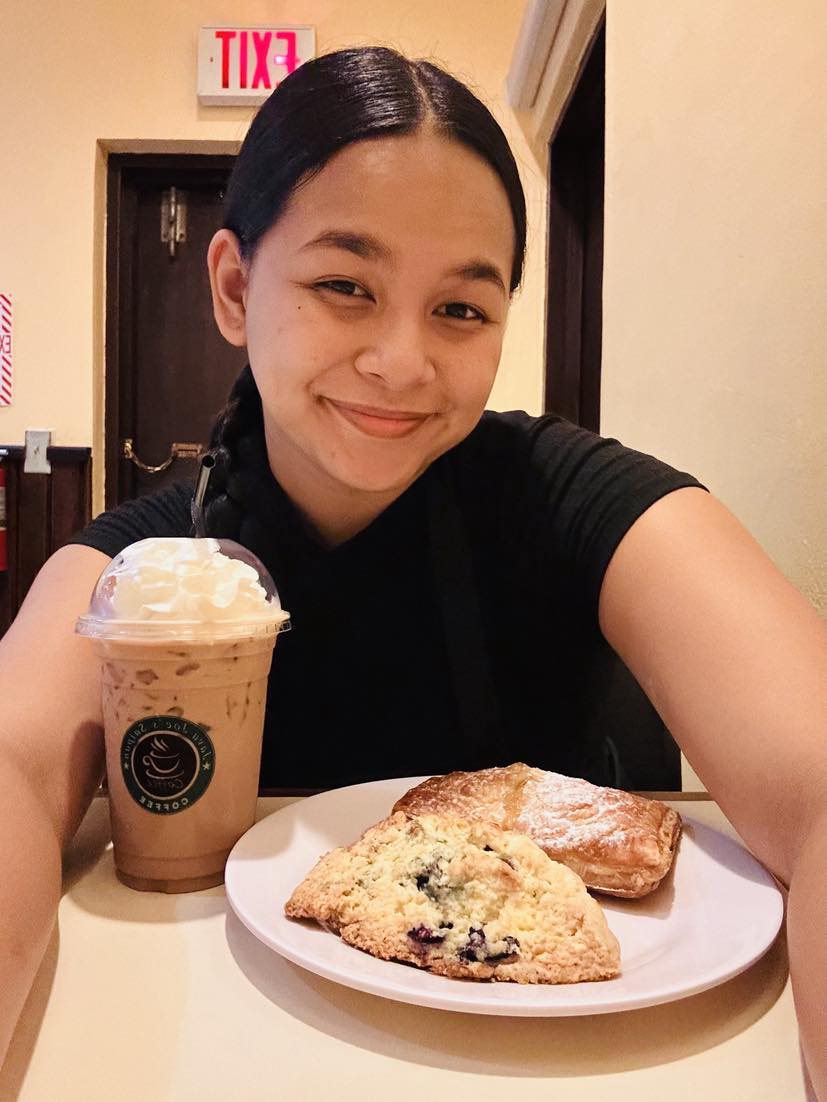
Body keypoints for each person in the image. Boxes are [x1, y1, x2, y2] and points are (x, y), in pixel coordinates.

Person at [0, 46, 824, 1093]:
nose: (401, 359)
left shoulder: (575, 499)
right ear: (234, 287)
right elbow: (15, 771)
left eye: (460, 309)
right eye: (345, 285)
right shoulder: (151, 562)